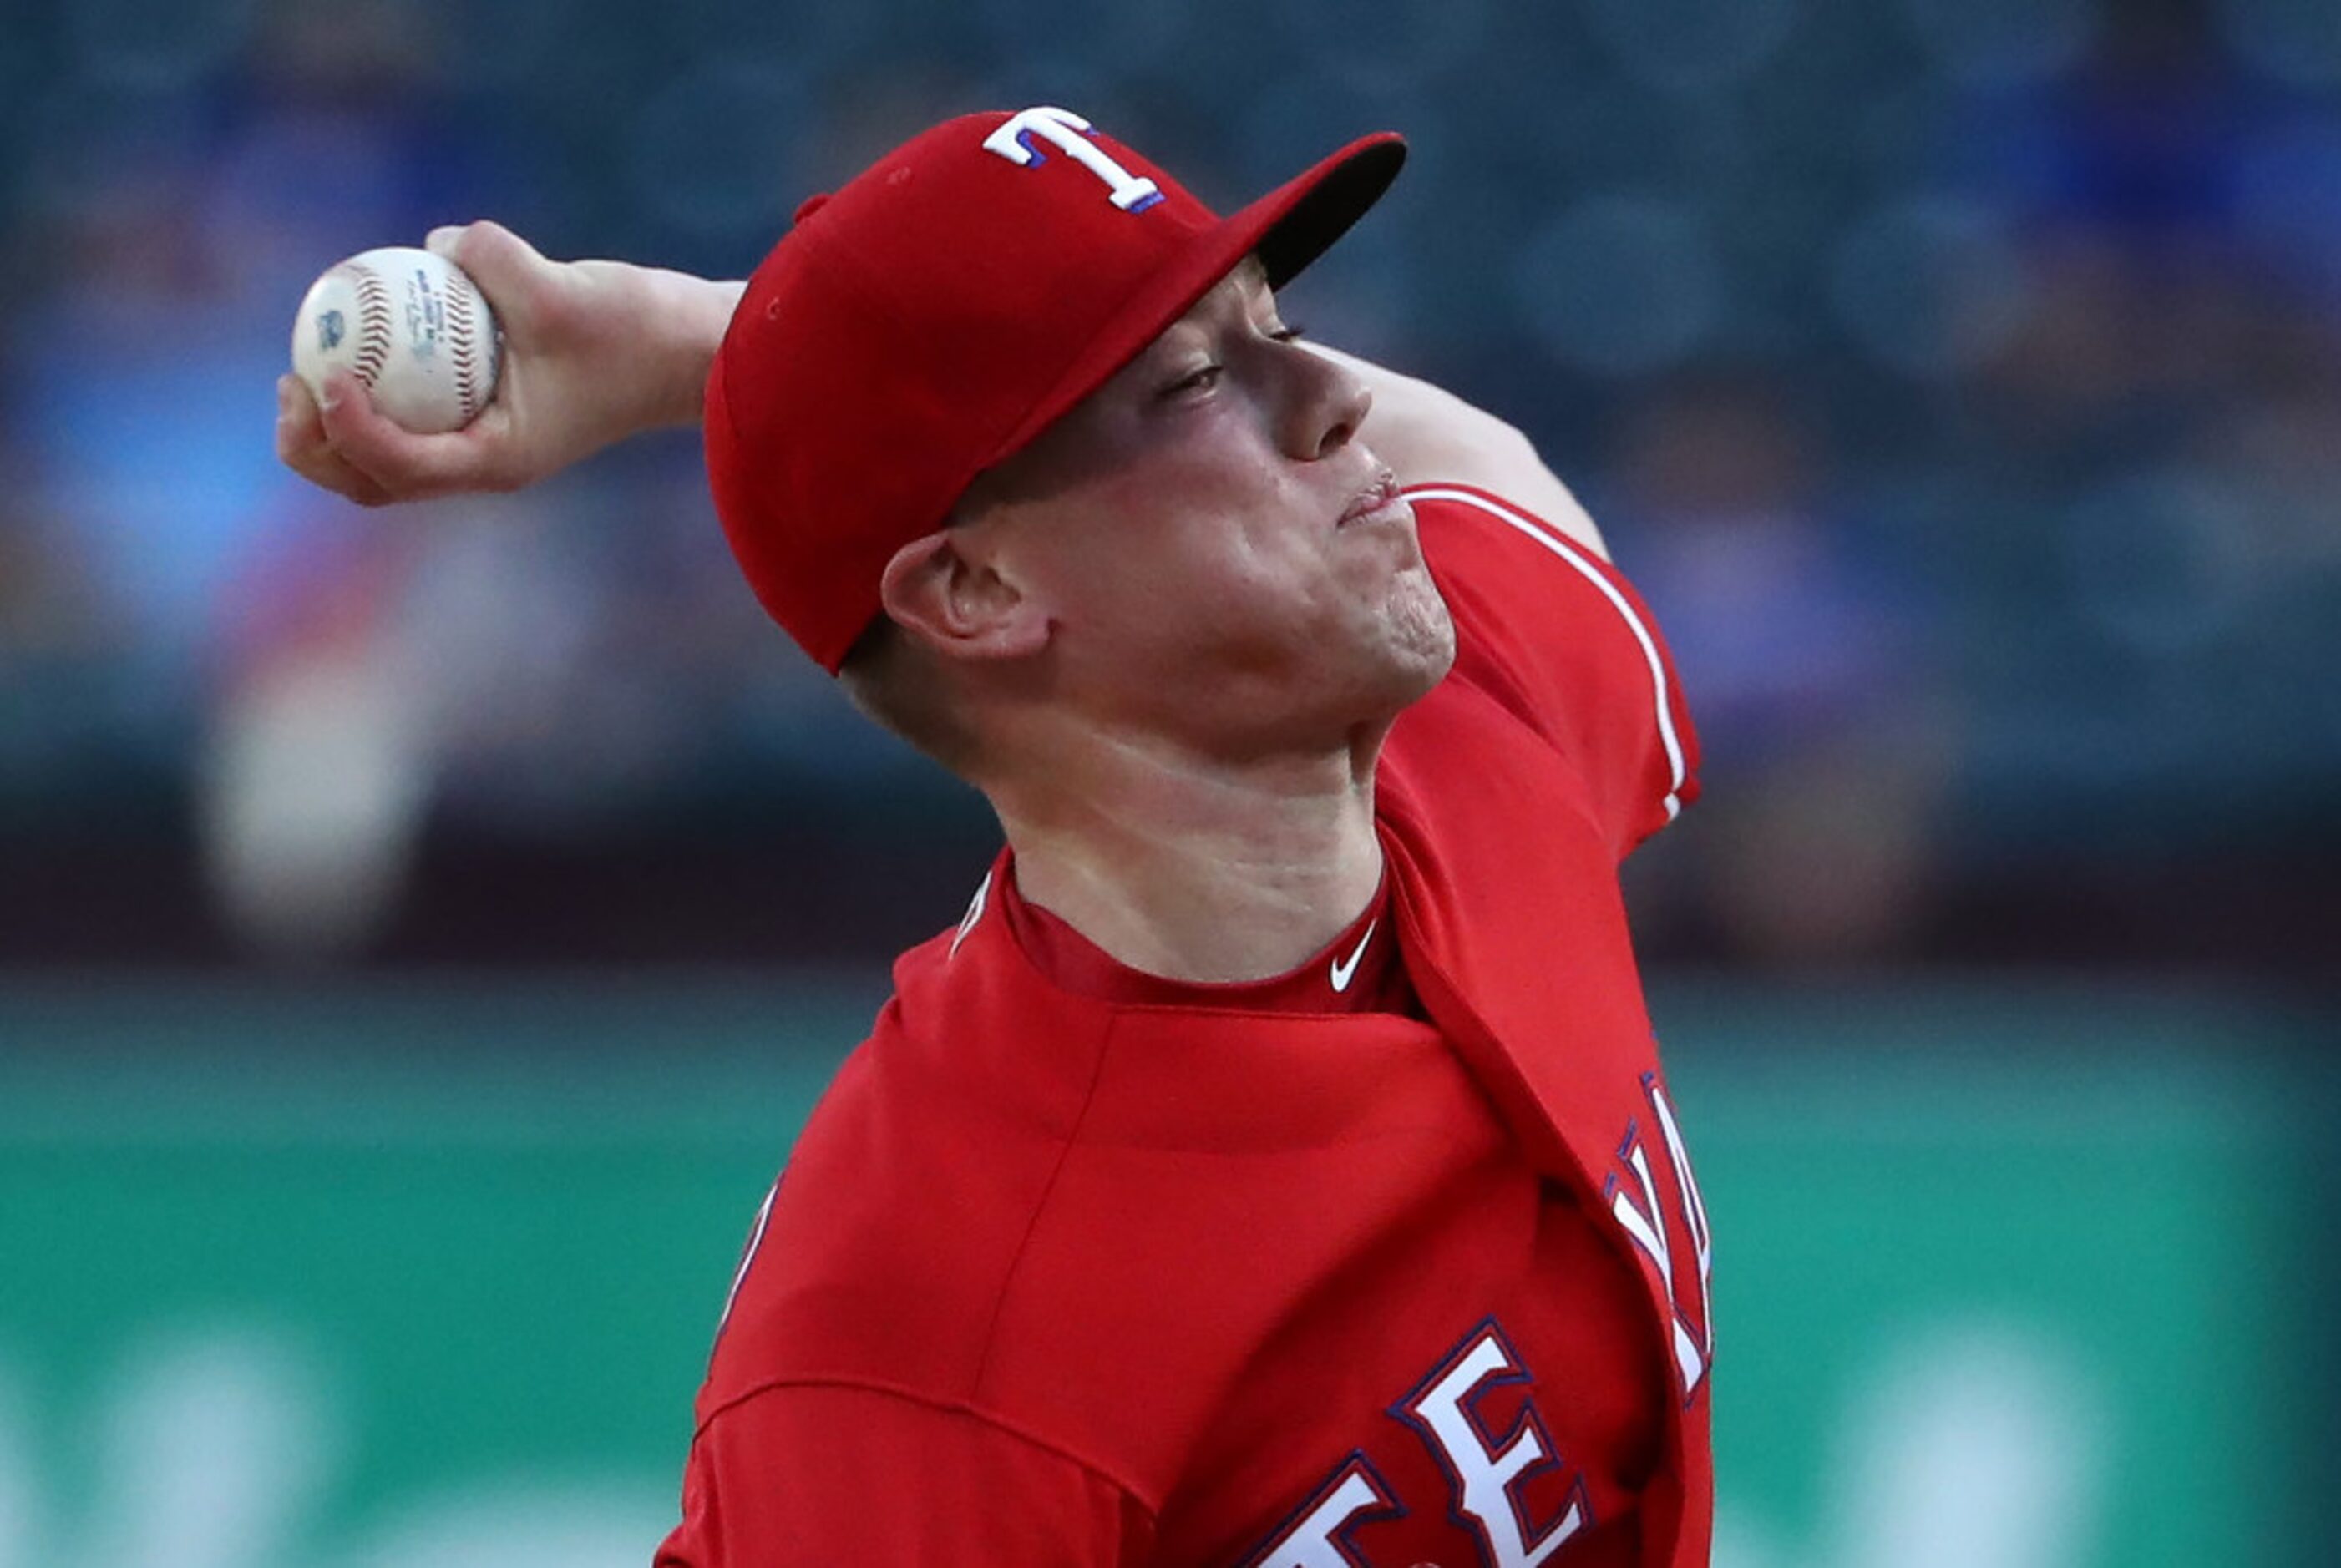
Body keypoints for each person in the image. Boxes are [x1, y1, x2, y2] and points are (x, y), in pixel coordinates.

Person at [277, 106, 1714, 1568]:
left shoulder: (1473, 738)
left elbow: (1494, 467)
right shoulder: (926, 1345)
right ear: (971, 592)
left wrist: (709, 348)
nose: (1338, 399)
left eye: (1282, 321)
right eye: (1203, 376)